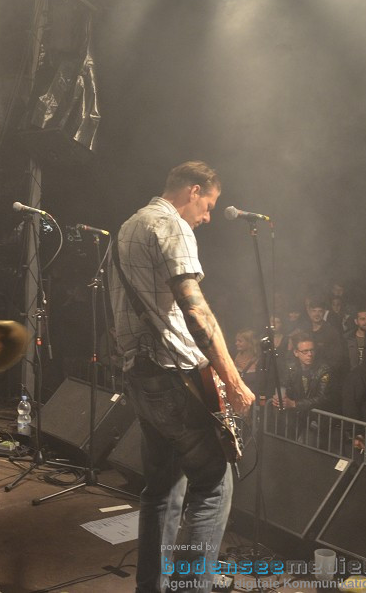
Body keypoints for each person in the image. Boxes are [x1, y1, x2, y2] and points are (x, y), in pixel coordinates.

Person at [109, 161, 254, 593]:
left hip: (138, 374)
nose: (208, 217)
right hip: (175, 373)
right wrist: (232, 379)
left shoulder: (127, 228)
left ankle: (150, 588)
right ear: (193, 191)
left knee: (162, 489)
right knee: (214, 485)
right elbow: (194, 309)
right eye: (208, 206)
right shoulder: (170, 226)